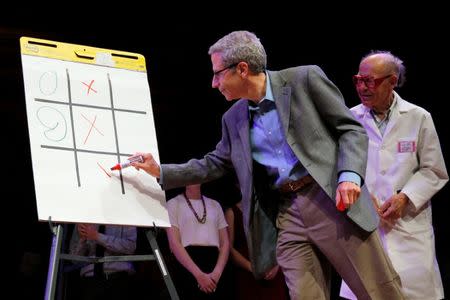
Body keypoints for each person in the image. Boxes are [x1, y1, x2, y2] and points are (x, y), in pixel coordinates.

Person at [132, 30, 405, 299]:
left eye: (217, 73)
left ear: (241, 69)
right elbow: (214, 164)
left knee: (378, 292)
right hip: (287, 213)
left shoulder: (303, 80)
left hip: (329, 199)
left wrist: (349, 176)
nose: (214, 83)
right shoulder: (233, 118)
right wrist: (160, 170)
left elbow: (350, 130)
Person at [340, 51, 448, 300]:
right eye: (358, 79)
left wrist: (405, 198)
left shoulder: (419, 117)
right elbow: (342, 168)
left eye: (370, 81)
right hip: (365, 226)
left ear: (393, 80)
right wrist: (362, 196)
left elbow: (434, 170)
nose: (362, 87)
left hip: (408, 226)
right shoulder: (348, 119)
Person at [165, 184, 229, 300]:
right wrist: (199, 275)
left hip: (214, 264)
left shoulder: (215, 205)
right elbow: (174, 243)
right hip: (187, 264)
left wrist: (217, 274)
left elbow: (225, 243)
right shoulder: (173, 204)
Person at [225, 201, 289, 300]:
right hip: (247, 274)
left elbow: (284, 239)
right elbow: (229, 249)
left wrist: (277, 264)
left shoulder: (272, 208)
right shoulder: (232, 212)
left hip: (273, 273)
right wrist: (253, 268)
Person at [69, 223, 137, 300]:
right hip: (90, 280)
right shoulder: (84, 217)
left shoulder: (125, 216)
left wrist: (97, 236)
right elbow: (74, 259)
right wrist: (82, 239)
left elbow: (130, 247)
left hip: (118, 277)